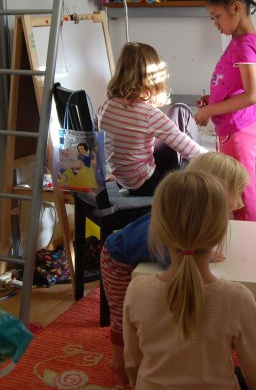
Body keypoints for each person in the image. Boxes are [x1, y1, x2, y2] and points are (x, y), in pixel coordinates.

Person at [101, 152, 248, 383]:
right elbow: (171, 256)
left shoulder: (188, 214)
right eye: (235, 194)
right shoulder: (172, 225)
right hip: (117, 261)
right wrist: (202, 255)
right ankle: (118, 361)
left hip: (144, 254)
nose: (239, 203)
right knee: (122, 316)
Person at [122, 171, 256, 389]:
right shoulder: (237, 299)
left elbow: (132, 363)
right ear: (220, 232)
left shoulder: (137, 290)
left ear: (158, 230)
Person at [195, 0, 256, 221]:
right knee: (236, 192)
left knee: (242, 196)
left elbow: (254, 94)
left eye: (217, 16)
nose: (215, 23)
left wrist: (210, 111)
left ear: (236, 7)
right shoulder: (245, 41)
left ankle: (252, 242)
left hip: (238, 130)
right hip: (240, 126)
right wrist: (214, 100)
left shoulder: (243, 46)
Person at [97, 42, 207, 196]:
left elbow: (99, 135)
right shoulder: (148, 114)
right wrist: (218, 162)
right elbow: (189, 149)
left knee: (172, 121)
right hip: (147, 184)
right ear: (153, 79)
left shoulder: (106, 106)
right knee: (180, 111)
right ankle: (197, 178)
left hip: (122, 180)